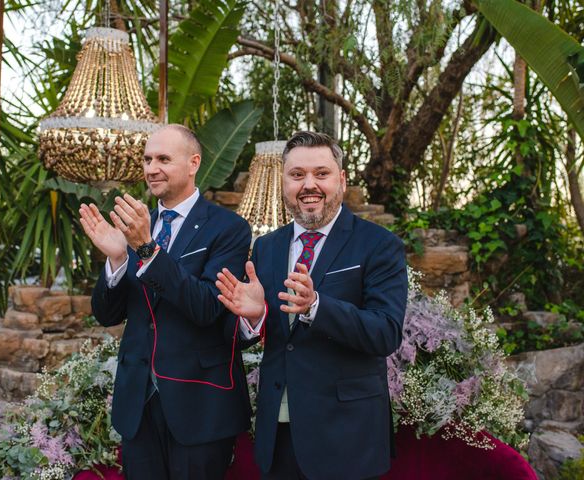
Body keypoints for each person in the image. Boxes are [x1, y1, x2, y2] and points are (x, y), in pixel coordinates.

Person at [216, 131, 408, 480]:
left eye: (321, 173)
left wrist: (316, 306)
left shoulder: (380, 245)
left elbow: (386, 332)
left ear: (342, 180)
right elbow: (266, 338)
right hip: (279, 433)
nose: (309, 184)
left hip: (346, 436)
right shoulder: (266, 248)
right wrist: (255, 318)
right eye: (297, 174)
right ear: (284, 183)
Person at [79, 124, 252, 480]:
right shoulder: (137, 225)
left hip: (200, 404)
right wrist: (116, 260)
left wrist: (146, 248)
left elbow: (206, 307)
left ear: (193, 163)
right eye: (147, 159)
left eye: (162, 159)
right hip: (138, 403)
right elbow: (107, 314)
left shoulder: (228, 229)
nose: (151, 167)